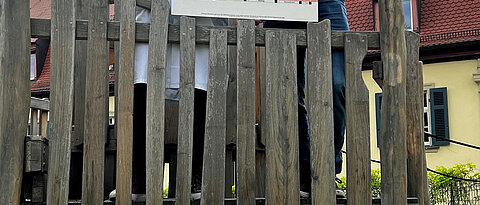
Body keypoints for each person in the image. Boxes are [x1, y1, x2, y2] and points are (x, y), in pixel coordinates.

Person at [109, 4, 227, 202]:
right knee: (142, 88)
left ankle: (194, 177)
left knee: (199, 88)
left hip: (201, 18)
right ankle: (139, 178)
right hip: (150, 16)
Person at [263, 0, 349, 198]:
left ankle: (327, 169)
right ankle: (303, 173)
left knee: (337, 83)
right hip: (283, 3)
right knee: (288, 92)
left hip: (327, 4)